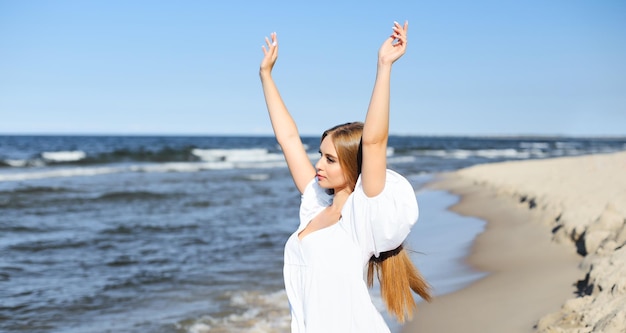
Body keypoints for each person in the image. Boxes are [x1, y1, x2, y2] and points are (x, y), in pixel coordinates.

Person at [259, 21, 431, 333]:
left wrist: (384, 65)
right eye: (319, 154)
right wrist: (266, 76)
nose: (318, 165)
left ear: (353, 165)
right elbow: (288, 138)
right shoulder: (315, 206)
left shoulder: (361, 213)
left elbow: (374, 141)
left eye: (329, 159)